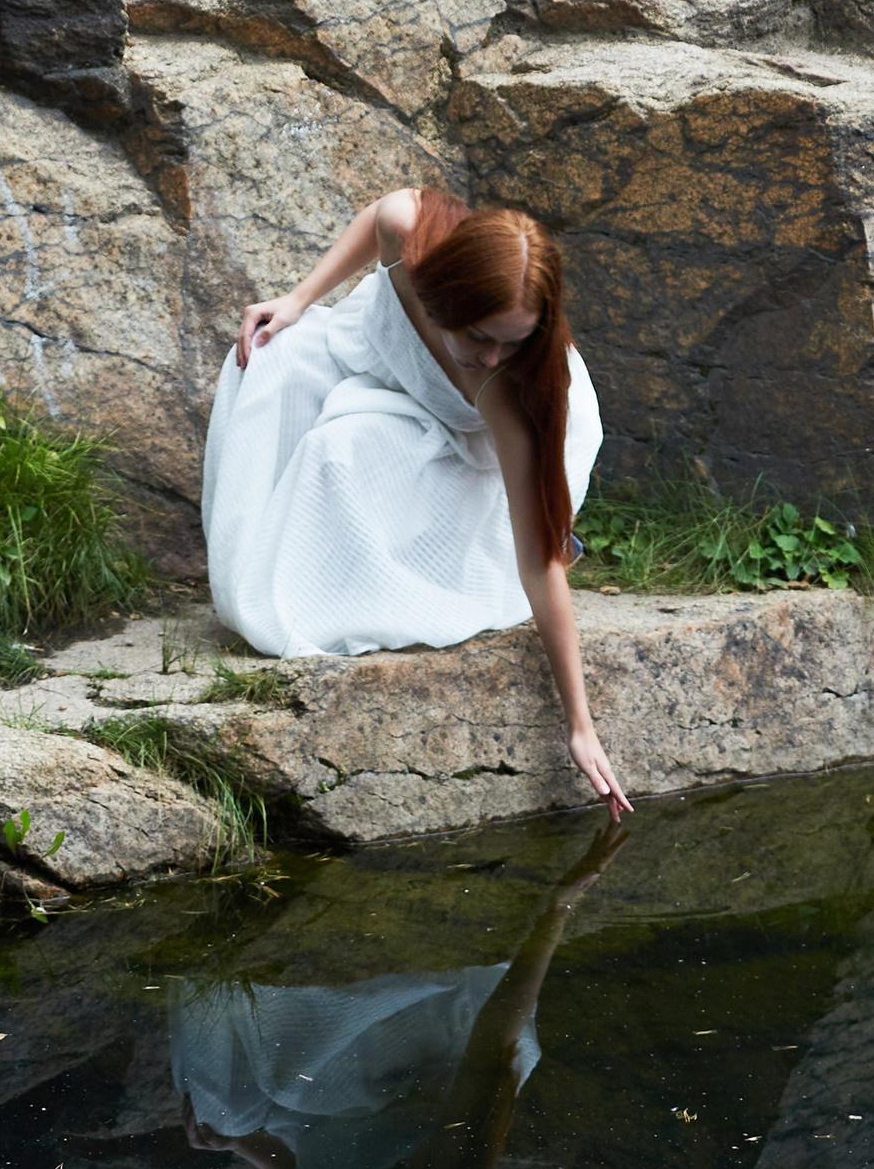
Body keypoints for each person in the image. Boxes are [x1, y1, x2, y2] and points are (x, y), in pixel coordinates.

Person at [204, 185, 628, 818]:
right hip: (382, 353)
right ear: (443, 293)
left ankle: (320, 578)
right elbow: (380, 216)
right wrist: (295, 301)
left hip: (477, 429)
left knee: (341, 449)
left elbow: (538, 562)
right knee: (270, 354)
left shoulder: (505, 385)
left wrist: (579, 723)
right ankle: (261, 542)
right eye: (481, 335)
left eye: (514, 340)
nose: (491, 354)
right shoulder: (412, 232)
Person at [171, 821, 625, 1169]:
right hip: (426, 1050)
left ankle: (202, 932)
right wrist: (556, 910)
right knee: (280, 1078)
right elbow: (497, 1041)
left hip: (340, 1114)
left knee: (220, 1113)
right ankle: (261, 937)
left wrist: (238, 1144)